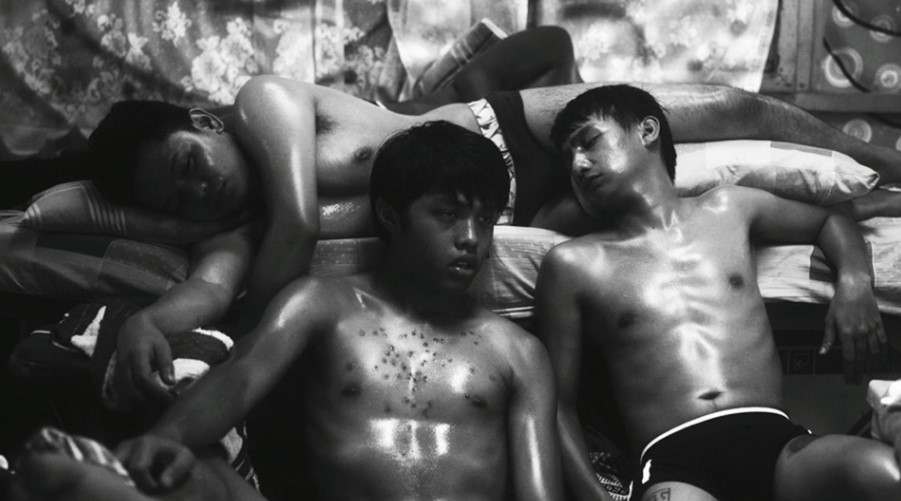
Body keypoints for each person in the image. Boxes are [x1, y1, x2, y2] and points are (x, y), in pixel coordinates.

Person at [89, 62, 901, 405]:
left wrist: (245, 309)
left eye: (189, 163)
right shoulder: (232, 234)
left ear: (202, 122)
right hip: (518, 214)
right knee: (724, 194)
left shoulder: (260, 104)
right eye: (179, 198)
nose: (201, 188)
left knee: (730, 108)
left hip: (508, 133)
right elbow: (207, 291)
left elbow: (298, 224)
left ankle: (890, 162)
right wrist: (145, 323)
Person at [9, 121, 563, 501]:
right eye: (447, 214)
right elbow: (240, 377)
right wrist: (168, 438)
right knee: (186, 473)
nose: (471, 238)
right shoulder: (324, 304)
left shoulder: (517, 352)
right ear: (392, 216)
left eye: (485, 219)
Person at [535, 84, 898, 501]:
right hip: (675, 461)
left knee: (889, 478)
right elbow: (558, 405)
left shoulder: (728, 208)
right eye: (569, 159)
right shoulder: (572, 264)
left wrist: (854, 283)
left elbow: (829, 222)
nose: (579, 165)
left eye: (589, 142)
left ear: (647, 131)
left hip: (777, 442)